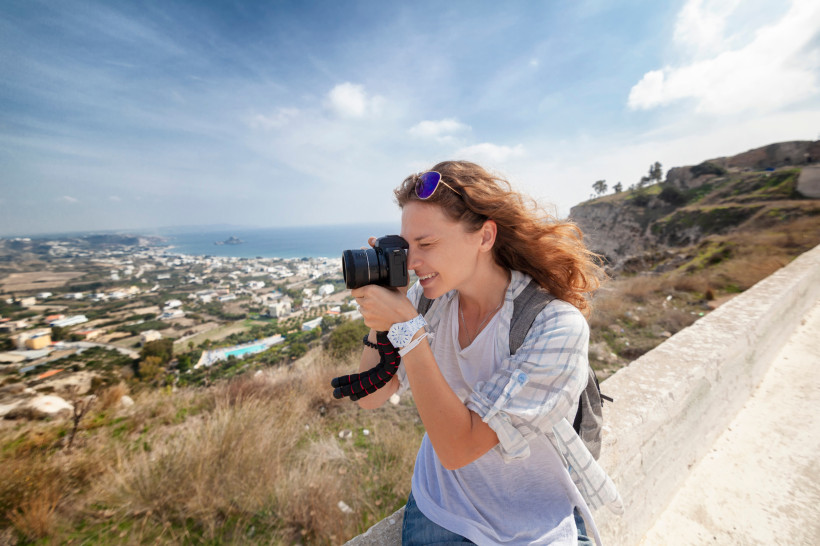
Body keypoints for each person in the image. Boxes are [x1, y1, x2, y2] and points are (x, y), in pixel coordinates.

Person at [349, 161, 621, 545]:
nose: (411, 263)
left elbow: (460, 447)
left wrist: (408, 331)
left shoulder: (553, 325)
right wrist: (384, 315)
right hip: (442, 509)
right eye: (407, 247)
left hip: (536, 521)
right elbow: (370, 396)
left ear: (485, 236)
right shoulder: (427, 302)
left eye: (427, 244)